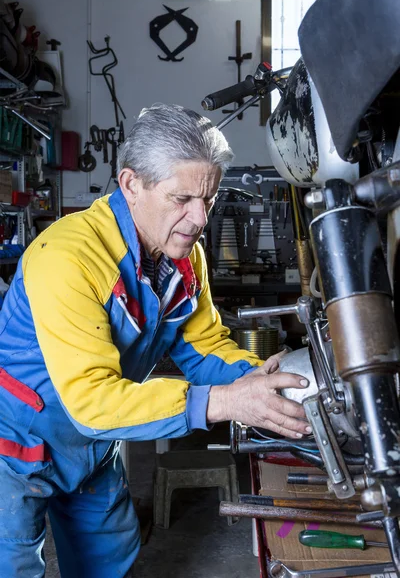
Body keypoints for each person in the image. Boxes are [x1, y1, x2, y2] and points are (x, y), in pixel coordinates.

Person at [0, 103, 310, 577]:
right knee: (14, 566)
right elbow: (93, 400)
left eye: (208, 198)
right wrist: (223, 402)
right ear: (131, 185)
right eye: (181, 198)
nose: (199, 218)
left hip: (92, 447)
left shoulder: (184, 257)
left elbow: (204, 346)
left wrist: (260, 380)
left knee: (110, 557)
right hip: (17, 447)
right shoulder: (67, 258)